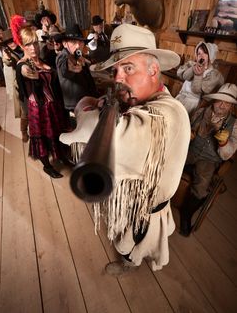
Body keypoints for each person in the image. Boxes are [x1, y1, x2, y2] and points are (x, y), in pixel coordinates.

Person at [60, 24, 191, 275]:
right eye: (117, 69)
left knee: (135, 245)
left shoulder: (167, 114)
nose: (118, 77)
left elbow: (115, 138)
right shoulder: (143, 101)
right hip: (132, 200)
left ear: (154, 70)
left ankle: (129, 265)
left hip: (144, 209)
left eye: (129, 68)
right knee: (126, 238)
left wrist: (85, 105)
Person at [11, 15, 70, 178]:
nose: (33, 48)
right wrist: (23, 69)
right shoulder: (24, 65)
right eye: (28, 44)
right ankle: (47, 166)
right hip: (39, 109)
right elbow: (22, 70)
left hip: (53, 105)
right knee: (43, 137)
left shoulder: (42, 59)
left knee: (57, 132)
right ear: (22, 45)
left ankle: (62, 156)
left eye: (35, 43)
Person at [179, 83, 237, 237]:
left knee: (203, 186)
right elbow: (187, 128)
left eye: (227, 103)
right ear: (214, 100)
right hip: (191, 150)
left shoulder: (235, 125)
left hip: (209, 160)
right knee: (169, 163)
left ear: (231, 107)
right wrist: (190, 133)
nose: (222, 105)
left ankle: (186, 214)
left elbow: (227, 155)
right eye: (220, 100)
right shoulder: (201, 111)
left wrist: (224, 143)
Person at [56, 24, 98, 112]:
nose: (78, 46)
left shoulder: (78, 55)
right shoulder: (63, 56)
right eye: (73, 42)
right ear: (64, 43)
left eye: (80, 42)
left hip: (86, 103)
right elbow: (65, 68)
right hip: (76, 106)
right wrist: (72, 64)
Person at [176, 42, 224, 114]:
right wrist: (193, 68)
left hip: (192, 104)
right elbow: (183, 76)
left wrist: (198, 76)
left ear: (211, 55)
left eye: (205, 53)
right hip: (180, 98)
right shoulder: (192, 65)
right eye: (199, 53)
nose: (201, 56)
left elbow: (197, 91)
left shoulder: (214, 74)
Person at [0, 28, 27, 141]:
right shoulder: (8, 53)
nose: (11, 43)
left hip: (31, 81)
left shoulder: (23, 48)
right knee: (24, 112)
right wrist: (7, 57)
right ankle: (24, 131)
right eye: (8, 42)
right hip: (20, 85)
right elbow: (8, 62)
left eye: (13, 40)